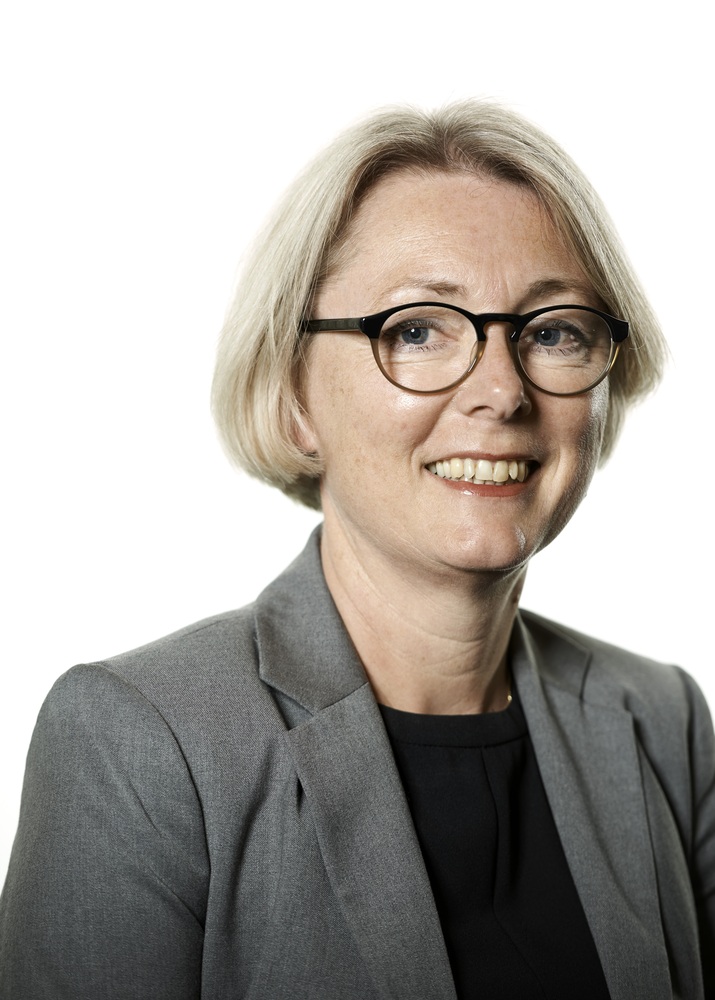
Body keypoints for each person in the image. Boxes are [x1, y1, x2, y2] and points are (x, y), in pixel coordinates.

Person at [1, 100, 713, 1000]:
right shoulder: (142, 741)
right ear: (295, 398)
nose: (501, 391)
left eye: (552, 332)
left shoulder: (663, 720)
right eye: (416, 329)